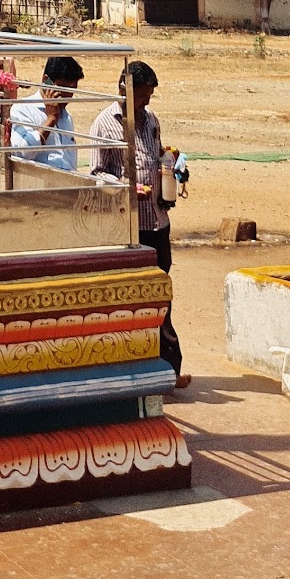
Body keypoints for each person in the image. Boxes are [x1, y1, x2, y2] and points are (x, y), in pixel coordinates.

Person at [91, 60, 189, 390]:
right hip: (129, 225)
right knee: (133, 296)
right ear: (125, 90)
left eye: (149, 97)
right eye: (143, 96)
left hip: (157, 221)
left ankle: (170, 367)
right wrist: (126, 186)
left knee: (162, 292)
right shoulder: (104, 124)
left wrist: (173, 166)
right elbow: (96, 173)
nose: (147, 103)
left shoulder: (151, 121)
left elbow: (159, 154)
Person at [8, 55, 84, 171]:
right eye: (62, 89)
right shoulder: (23, 109)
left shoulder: (66, 117)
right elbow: (22, 152)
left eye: (71, 90)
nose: (66, 96)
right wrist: (50, 120)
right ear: (46, 80)